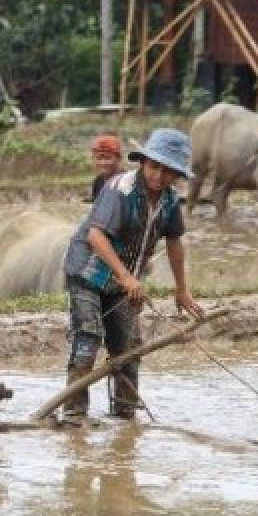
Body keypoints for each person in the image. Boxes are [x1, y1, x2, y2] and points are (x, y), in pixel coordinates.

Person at [60, 128, 203, 420]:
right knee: (87, 340)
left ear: (176, 175)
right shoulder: (119, 190)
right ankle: (74, 416)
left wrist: (182, 289)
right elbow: (96, 237)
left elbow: (174, 242)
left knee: (128, 349)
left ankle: (125, 417)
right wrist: (126, 278)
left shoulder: (171, 201)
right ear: (143, 163)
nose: (158, 177)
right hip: (88, 272)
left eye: (168, 172)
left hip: (124, 279)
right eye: (154, 167)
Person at [89, 133, 123, 201]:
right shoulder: (98, 181)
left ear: (119, 158)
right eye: (99, 158)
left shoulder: (127, 182)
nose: (103, 163)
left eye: (108, 158)